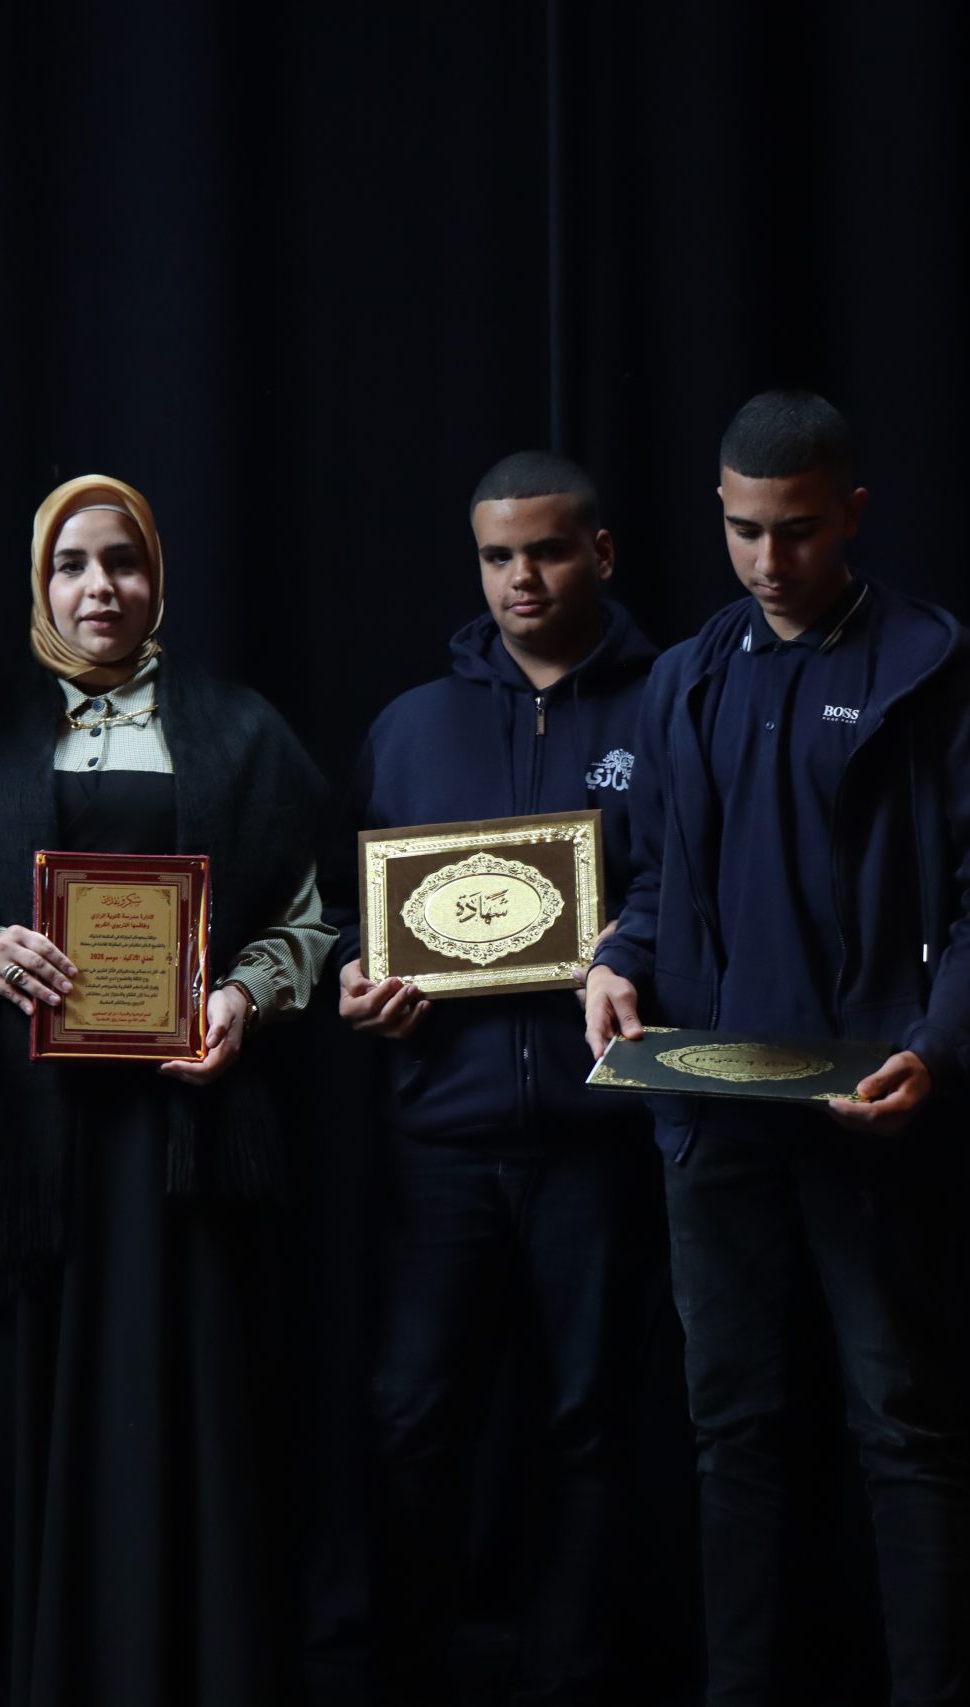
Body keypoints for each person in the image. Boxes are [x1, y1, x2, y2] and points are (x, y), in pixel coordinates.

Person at [585, 391, 970, 1704]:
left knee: (902, 1429)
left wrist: (938, 1052)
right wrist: (618, 959)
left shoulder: (933, 666)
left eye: (795, 529)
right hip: (715, 1115)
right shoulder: (685, 675)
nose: (768, 558)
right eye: (743, 530)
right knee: (730, 1432)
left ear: (850, 512)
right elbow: (660, 878)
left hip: (877, 1118)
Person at [0, 473, 333, 1706]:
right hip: (17, 1142)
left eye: (124, 562)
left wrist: (243, 997)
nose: (101, 588)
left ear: (157, 578)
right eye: (72, 564)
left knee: (173, 1409)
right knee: (11, 1416)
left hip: (181, 1143)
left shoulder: (238, 729)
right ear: (38, 582)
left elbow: (308, 917)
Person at [327, 450, 659, 1705]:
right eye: (498, 556)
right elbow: (349, 906)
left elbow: (690, 886)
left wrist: (630, 948)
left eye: (550, 550)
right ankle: (407, 1675)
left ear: (600, 553)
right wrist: (355, 977)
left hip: (602, 1132)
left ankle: (572, 1678)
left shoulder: (665, 706)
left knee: (589, 1423)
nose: (524, 577)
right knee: (411, 1418)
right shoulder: (411, 726)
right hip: (441, 1136)